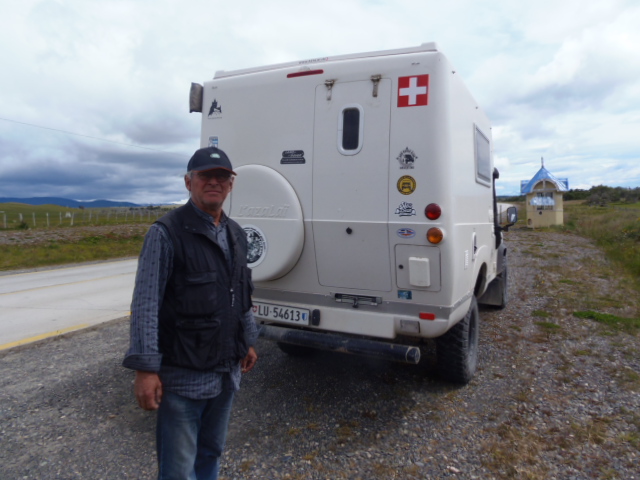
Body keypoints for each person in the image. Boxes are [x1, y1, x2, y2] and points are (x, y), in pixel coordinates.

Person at [123, 146, 258, 480]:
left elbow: (239, 295)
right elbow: (146, 303)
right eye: (205, 176)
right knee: (179, 469)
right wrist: (145, 369)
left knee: (211, 453)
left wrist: (248, 341)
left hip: (226, 373)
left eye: (221, 177)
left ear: (231, 184)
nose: (214, 182)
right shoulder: (166, 233)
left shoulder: (236, 233)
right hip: (184, 376)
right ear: (188, 182)